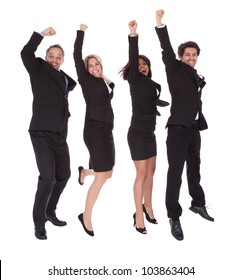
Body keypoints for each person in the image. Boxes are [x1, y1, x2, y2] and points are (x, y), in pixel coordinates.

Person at [155, 9, 214, 241]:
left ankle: (197, 203)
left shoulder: (194, 73)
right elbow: (166, 48)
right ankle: (173, 215)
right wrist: (160, 24)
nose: (191, 57)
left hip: (193, 129)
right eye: (187, 54)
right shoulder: (175, 68)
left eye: (194, 54)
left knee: (195, 169)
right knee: (175, 173)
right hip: (178, 128)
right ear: (180, 56)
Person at [20, 27, 77, 240]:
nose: (54, 59)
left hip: (60, 135)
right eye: (51, 56)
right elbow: (26, 53)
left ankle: (49, 210)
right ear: (45, 57)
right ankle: (39, 222)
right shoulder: (39, 70)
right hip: (41, 132)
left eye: (58, 57)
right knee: (47, 177)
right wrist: (40, 35)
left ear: (62, 60)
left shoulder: (64, 79)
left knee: (64, 175)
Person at [119, 20, 168, 234]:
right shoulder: (135, 81)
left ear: (149, 67)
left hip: (150, 133)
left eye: (144, 64)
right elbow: (133, 57)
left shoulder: (150, 84)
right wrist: (133, 34)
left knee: (152, 172)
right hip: (137, 133)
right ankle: (138, 214)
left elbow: (150, 102)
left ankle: (148, 206)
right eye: (138, 65)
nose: (141, 66)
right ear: (134, 70)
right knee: (140, 174)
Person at [73, 24, 115, 236]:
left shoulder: (105, 81)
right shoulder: (86, 81)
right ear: (86, 69)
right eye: (90, 66)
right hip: (94, 130)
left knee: (107, 173)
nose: (94, 68)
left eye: (96, 64)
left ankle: (84, 172)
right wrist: (81, 32)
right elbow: (76, 54)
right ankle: (86, 216)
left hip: (107, 130)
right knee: (101, 178)